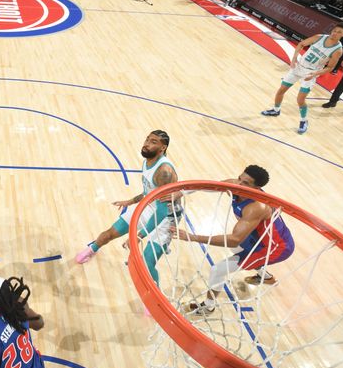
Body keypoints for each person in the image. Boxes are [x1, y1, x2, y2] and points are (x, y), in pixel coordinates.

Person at [172, 165, 294, 314]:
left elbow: (234, 239)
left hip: (275, 248)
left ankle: (208, 305)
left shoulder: (257, 207)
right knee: (236, 249)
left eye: (246, 183)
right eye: (239, 178)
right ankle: (266, 277)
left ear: (257, 188)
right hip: (257, 237)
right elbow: (210, 186)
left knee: (218, 270)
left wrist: (193, 237)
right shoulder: (236, 186)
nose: (239, 185)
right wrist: (181, 192)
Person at [75, 130, 179, 285]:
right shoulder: (148, 161)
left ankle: (154, 297)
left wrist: (138, 236)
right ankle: (93, 248)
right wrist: (130, 201)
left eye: (153, 142)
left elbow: (162, 210)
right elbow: (149, 191)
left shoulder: (164, 172)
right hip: (148, 206)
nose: (147, 144)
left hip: (166, 218)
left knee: (147, 263)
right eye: (147, 139)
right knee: (110, 233)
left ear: (163, 148)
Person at [261, 22, 343, 134]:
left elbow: (330, 67)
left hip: (310, 73)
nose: (335, 33)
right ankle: (276, 110)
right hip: (298, 67)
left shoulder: (338, 50)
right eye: (334, 30)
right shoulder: (319, 37)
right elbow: (301, 44)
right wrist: (293, 59)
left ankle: (304, 121)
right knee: (281, 91)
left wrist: (315, 74)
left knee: (300, 100)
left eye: (339, 32)